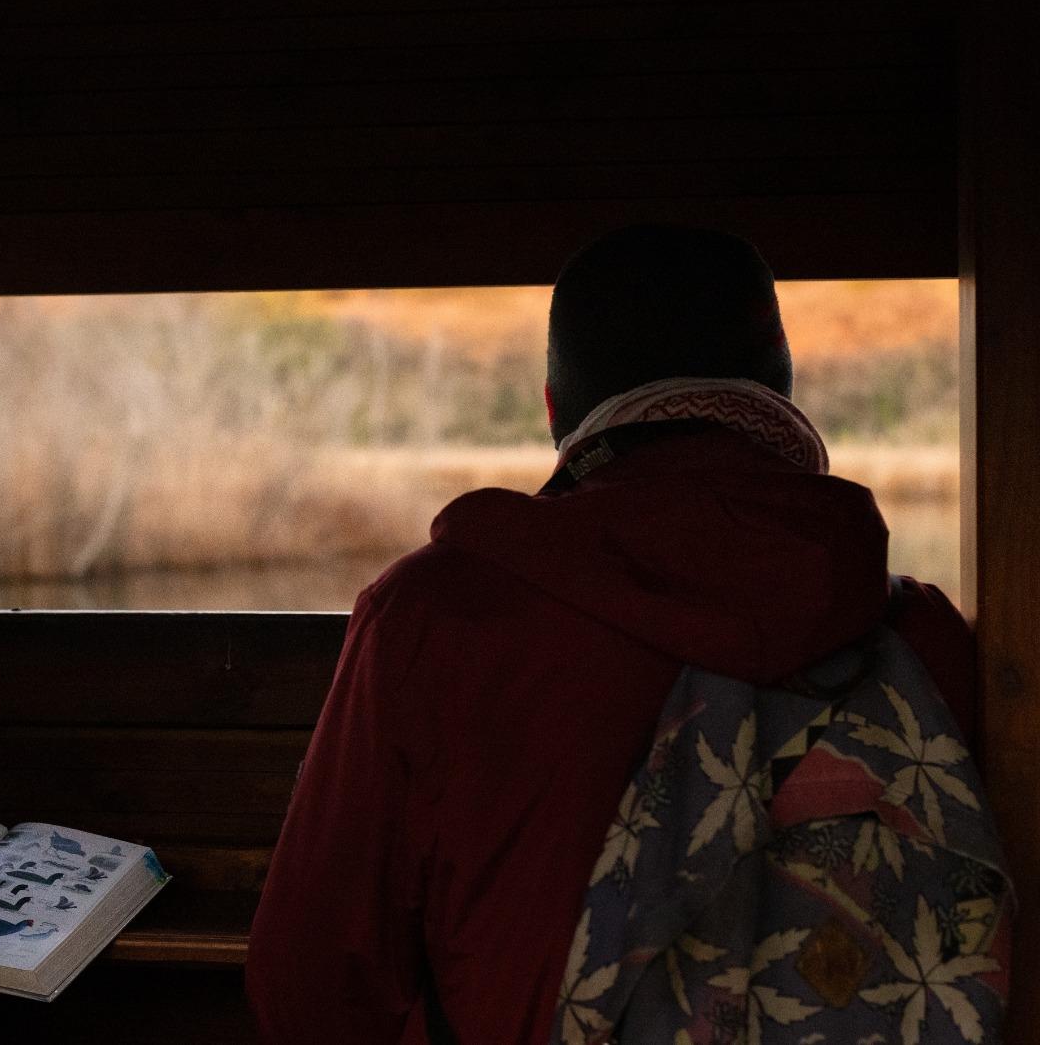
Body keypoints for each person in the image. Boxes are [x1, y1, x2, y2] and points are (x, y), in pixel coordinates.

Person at [246, 226, 989, 1043]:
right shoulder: (922, 640)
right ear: (780, 391)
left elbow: (309, 985)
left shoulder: (437, 619)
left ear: (556, 411)